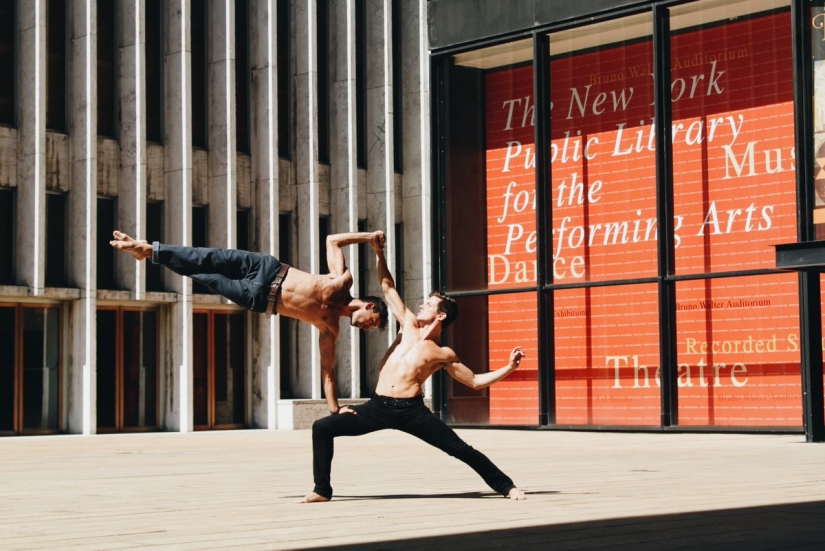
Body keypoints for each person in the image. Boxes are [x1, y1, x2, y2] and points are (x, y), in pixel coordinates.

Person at [299, 231, 526, 502]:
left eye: (428, 305)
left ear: (441, 315)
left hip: (412, 412)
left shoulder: (443, 353)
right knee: (322, 427)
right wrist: (379, 252)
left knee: (459, 448)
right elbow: (387, 287)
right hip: (378, 407)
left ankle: (507, 486)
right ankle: (321, 490)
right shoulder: (407, 324)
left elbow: (475, 381)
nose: (421, 306)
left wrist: (509, 367)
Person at [110, 230, 389, 414]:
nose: (366, 328)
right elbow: (332, 240)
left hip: (257, 298)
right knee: (205, 256)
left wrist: (335, 409)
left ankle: (148, 252)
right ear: (369, 305)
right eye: (372, 322)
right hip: (264, 267)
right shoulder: (342, 280)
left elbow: (328, 372)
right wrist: (370, 239)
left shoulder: (330, 328)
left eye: (369, 328)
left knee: (202, 275)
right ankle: (145, 249)